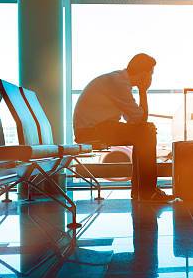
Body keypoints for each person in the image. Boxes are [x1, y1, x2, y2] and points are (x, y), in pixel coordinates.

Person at [74, 53, 174, 203]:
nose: (151, 78)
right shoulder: (118, 83)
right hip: (92, 130)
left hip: (96, 127)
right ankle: (147, 191)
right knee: (146, 133)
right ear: (143, 74)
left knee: (144, 132)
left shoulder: (119, 81)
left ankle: (142, 190)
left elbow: (135, 121)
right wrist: (143, 91)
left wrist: (143, 125)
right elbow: (141, 119)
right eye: (151, 73)